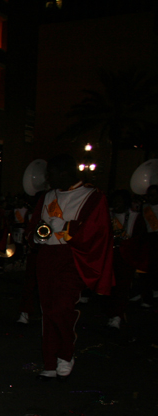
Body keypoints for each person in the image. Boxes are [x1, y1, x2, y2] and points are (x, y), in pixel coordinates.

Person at [26, 154, 113, 380]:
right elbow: (36, 223)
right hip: (47, 256)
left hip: (71, 257)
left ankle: (66, 354)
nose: (47, 178)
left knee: (62, 308)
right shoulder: (47, 196)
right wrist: (37, 236)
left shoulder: (92, 197)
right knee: (47, 309)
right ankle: (49, 360)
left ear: (64, 172)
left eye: (51, 174)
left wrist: (66, 227)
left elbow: (98, 231)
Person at [105, 190, 146, 329]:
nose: (117, 204)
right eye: (115, 201)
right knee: (109, 287)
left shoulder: (135, 217)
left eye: (120, 201)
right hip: (109, 256)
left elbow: (140, 240)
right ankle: (111, 314)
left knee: (122, 288)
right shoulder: (108, 215)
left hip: (126, 257)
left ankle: (118, 316)